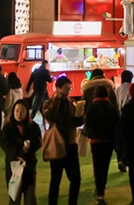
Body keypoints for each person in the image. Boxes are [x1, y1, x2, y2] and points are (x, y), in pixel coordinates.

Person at [43, 75, 83, 205]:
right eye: (66, 89)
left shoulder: (71, 103)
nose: (68, 91)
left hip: (70, 144)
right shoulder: (49, 103)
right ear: (58, 88)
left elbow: (77, 122)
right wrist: (57, 100)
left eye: (69, 89)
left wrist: (80, 115)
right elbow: (50, 117)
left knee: (76, 178)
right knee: (55, 180)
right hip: (57, 144)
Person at [1, 99, 42, 205]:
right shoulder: (8, 128)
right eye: (17, 111)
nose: (19, 114)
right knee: (14, 196)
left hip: (29, 165)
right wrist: (18, 152)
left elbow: (38, 142)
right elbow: (4, 143)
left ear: (27, 112)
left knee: (30, 196)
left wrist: (28, 149)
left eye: (22, 111)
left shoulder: (33, 126)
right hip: (13, 166)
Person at [85, 85, 120, 204]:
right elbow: (117, 123)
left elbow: (88, 123)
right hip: (109, 140)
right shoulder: (112, 107)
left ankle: (99, 192)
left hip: (95, 140)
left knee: (97, 166)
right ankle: (101, 191)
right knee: (105, 166)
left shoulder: (92, 107)